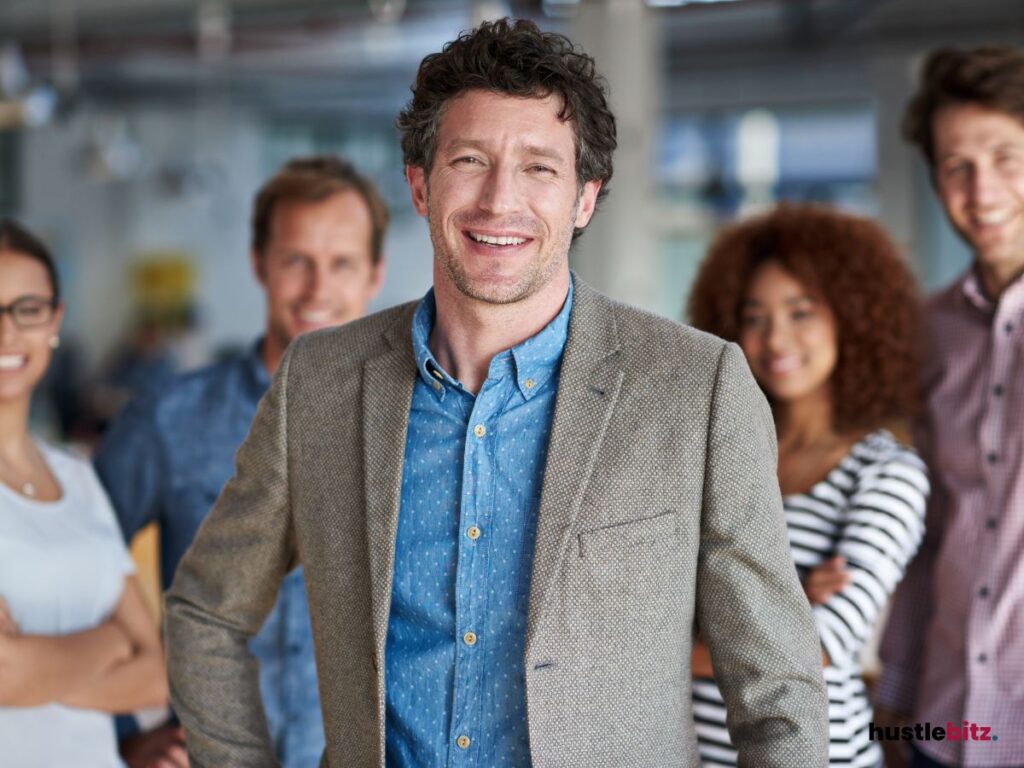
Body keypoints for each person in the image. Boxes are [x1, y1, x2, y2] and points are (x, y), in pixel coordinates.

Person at [165, 19, 828, 768]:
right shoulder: (319, 382)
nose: (498, 200)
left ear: (585, 197)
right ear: (420, 184)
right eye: (470, 160)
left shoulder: (695, 389)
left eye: (540, 168)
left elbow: (777, 691)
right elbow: (204, 612)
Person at [95, 155, 388, 768]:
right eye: (295, 261)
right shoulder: (167, 420)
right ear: (259, 264)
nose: (316, 290)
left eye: (341, 264)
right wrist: (122, 733)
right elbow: (82, 569)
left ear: (375, 275)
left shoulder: (417, 426)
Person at [686, 203, 930, 768]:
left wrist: (653, 644)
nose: (776, 338)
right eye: (755, 315)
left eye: (801, 312)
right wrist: (784, 602)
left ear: (854, 316)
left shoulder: (886, 471)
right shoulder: (714, 450)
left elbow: (815, 649)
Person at [873, 46, 1024, 768]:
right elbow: (929, 534)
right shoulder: (930, 333)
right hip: (946, 724)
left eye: (1005, 156)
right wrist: (896, 702)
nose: (982, 190)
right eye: (955, 166)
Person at [0, 218, 168, 767]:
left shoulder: (75, 475)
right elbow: (7, 671)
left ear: (54, 320)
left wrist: (38, 676)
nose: (7, 334)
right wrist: (112, 642)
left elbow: (159, 674)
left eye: (26, 309)